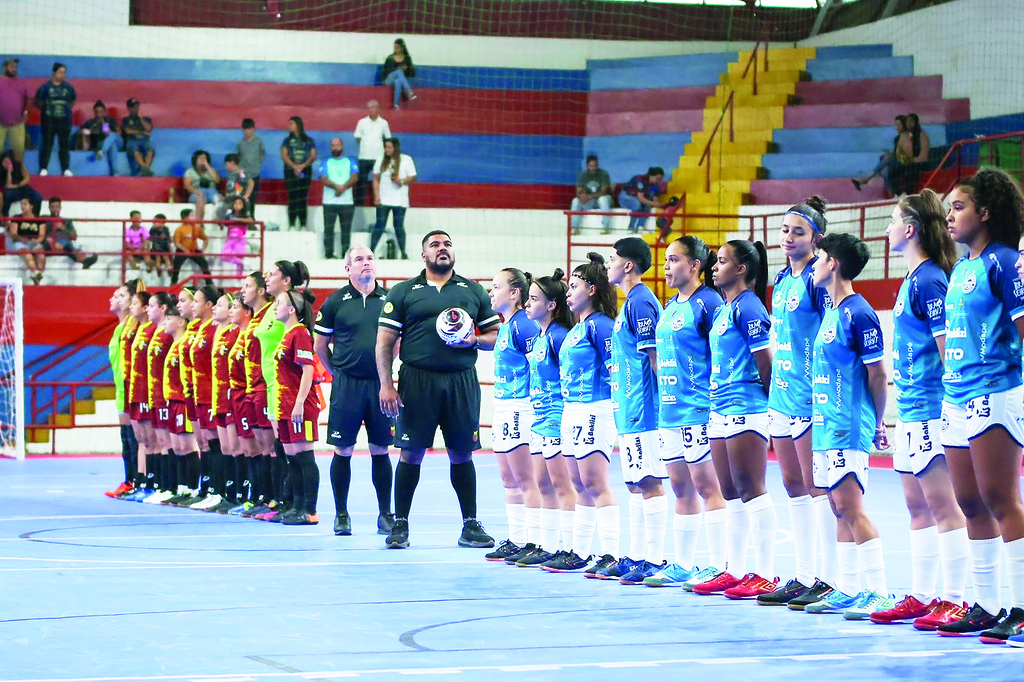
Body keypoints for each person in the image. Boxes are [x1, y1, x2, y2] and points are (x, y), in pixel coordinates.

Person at [868, 189, 970, 629]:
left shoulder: (930, 280)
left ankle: (956, 599)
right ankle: (925, 596)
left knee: (944, 505)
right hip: (910, 409)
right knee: (916, 506)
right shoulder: (913, 280)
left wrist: (951, 410)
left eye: (892, 220)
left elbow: (951, 351)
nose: (888, 228)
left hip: (930, 408)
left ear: (909, 229)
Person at [937, 168, 1024, 640]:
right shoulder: (959, 269)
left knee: (1000, 498)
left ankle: (1021, 606)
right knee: (970, 503)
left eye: (959, 207)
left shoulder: (1005, 263)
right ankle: (987, 606)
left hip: (996, 391)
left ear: (984, 213)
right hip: (956, 396)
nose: (950, 215)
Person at [376, 230, 500, 549]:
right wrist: (387, 384)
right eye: (435, 245)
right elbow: (385, 343)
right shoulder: (404, 292)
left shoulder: (472, 291)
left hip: (461, 381)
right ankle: (400, 523)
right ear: (424, 255)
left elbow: (496, 336)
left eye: (447, 244)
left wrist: (474, 339)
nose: (442, 249)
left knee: (462, 452)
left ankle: (470, 525)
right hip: (417, 380)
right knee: (411, 452)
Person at [804, 233, 893, 620]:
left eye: (819, 256)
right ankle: (849, 587)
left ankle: (880, 592)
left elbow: (878, 374)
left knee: (851, 507)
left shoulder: (859, 312)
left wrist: (876, 423)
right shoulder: (831, 311)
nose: (813, 264)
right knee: (838, 507)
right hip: (826, 427)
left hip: (848, 425)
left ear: (834, 263)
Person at [758, 197, 838, 609]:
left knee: (815, 486)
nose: (788, 238)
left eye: (798, 232)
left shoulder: (816, 280)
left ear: (816, 238)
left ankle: (827, 578)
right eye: (785, 230)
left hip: (811, 396)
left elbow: (831, 332)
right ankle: (804, 575)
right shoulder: (782, 282)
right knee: (792, 485)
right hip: (782, 395)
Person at [691, 240, 777, 599]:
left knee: (750, 487)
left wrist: (771, 410)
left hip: (747, 406)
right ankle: (735, 570)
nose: (714, 267)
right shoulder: (725, 309)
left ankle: (766, 573)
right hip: (719, 407)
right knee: (729, 491)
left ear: (741, 269)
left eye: (722, 261)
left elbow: (766, 361)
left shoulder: (749, 306)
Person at [643, 236, 728, 589]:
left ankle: (722, 565)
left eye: (674, 259)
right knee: (681, 488)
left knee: (710, 487)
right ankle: (683, 564)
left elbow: (723, 352)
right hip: (670, 411)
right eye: (665, 260)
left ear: (695, 265)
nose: (666, 266)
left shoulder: (708, 302)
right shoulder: (670, 306)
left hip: (699, 411)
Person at [538, 253, 618, 574]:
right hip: (572, 411)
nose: (568, 292)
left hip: (594, 409)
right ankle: (579, 551)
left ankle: (611, 553)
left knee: (595, 482)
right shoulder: (575, 329)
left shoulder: (601, 326)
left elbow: (615, 372)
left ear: (593, 289)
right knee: (579, 483)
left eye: (574, 286)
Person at [313, 246, 395, 536]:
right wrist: (338, 372)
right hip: (346, 385)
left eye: (370, 258)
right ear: (347, 269)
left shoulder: (389, 300)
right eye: (359, 259)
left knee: (381, 449)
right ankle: (342, 515)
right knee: (343, 449)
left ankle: (386, 514)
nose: (366, 263)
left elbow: (396, 341)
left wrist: (385, 372)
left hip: (380, 385)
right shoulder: (334, 302)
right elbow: (320, 346)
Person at [604, 238, 670, 584]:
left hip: (645, 409)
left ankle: (655, 558)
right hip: (629, 409)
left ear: (628, 265)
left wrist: (667, 406)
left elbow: (656, 357)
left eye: (612, 259)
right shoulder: (627, 303)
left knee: (649, 482)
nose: (608, 265)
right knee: (634, 483)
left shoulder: (642, 301)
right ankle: (638, 554)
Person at [483, 268, 546, 565]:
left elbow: (541, 368)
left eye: (496, 287)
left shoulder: (524, 325)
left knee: (526, 479)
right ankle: (518, 538)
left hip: (522, 406)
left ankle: (535, 541)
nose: (490, 292)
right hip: (504, 405)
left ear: (515, 293)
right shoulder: (506, 326)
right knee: (508, 478)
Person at [521, 270, 578, 568]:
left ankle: (570, 548)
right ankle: (547, 545)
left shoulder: (559, 336)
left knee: (561, 485)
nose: (527, 304)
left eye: (533, 299)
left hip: (556, 417)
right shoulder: (540, 336)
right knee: (542, 484)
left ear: (552, 305)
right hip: (539, 419)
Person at [253, 260, 310, 522]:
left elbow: (305, 361)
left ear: (287, 281)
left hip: (287, 389)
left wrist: (299, 399)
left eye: (272, 273)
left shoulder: (292, 321)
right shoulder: (270, 311)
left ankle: (299, 505)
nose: (266, 276)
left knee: (294, 450)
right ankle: (285, 502)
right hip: (273, 386)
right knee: (283, 449)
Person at [273, 287, 322, 526]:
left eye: (279, 302)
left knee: (304, 457)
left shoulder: (299, 333)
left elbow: (308, 369)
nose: (274, 306)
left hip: (299, 406)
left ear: (292, 309)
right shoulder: (286, 334)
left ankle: (310, 510)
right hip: (285, 406)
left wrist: (300, 403)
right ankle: (296, 506)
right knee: (292, 459)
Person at [104, 279, 145, 498]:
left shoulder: (133, 327)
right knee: (125, 437)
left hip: (131, 387)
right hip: (121, 387)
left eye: (119, 296)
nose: (113, 299)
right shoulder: (120, 328)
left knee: (134, 438)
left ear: (131, 302)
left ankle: (138, 481)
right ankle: (129, 479)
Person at [141, 292, 177, 505]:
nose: (147, 309)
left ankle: (171, 486)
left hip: (166, 396)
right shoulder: (156, 332)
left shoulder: (168, 332)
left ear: (163, 308)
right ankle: (160, 485)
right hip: (154, 394)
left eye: (152, 305)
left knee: (170, 442)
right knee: (159, 441)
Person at [210, 292, 243, 514]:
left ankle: (241, 495)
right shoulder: (220, 335)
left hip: (234, 397)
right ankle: (227, 494)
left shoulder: (235, 335)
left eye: (227, 306)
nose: (227, 310)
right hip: (219, 397)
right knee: (226, 447)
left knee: (238, 447)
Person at [226, 296, 257, 514]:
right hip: (236, 397)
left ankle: (259, 497)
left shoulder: (251, 334)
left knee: (255, 448)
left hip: (250, 395)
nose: (230, 311)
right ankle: (246, 496)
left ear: (247, 312)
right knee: (244, 448)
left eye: (235, 307)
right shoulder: (237, 336)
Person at [370, 137, 415, 259]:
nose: (387, 150)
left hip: (400, 200)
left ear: (395, 148)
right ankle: (371, 251)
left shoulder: (406, 160)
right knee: (380, 225)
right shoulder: (381, 160)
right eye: (385, 147)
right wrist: (377, 195)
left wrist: (401, 181)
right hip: (384, 200)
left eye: (389, 147)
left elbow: (412, 177)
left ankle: (403, 253)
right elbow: (375, 179)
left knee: (399, 226)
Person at [34, 62, 75, 177]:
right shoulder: (45, 88)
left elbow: (72, 102)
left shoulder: (68, 88)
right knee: (47, 144)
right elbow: (38, 102)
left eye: (64, 73)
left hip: (64, 121)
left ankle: (66, 168)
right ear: (54, 73)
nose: (63, 75)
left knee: (64, 145)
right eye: (60, 72)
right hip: (48, 120)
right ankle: (43, 168)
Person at [851, 116, 912, 193]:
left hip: (906, 163)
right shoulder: (897, 138)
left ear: (904, 124)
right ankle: (891, 196)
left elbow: (908, 153)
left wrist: (893, 155)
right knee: (886, 170)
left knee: (888, 159)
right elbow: (898, 152)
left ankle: (866, 179)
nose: (897, 127)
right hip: (897, 162)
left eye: (899, 124)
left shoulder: (908, 136)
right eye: (896, 124)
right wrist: (890, 154)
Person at [321, 137, 358, 259]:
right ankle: (329, 254)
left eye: (337, 145)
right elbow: (323, 178)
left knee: (346, 230)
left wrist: (342, 188)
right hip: (329, 202)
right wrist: (337, 187)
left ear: (342, 146)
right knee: (328, 230)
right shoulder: (325, 162)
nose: (335, 147)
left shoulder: (350, 161)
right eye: (333, 145)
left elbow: (354, 177)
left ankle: (345, 255)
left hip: (347, 202)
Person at [280, 116, 316, 231]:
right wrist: (294, 166)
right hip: (291, 171)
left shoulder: (308, 140)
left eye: (291, 123)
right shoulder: (287, 141)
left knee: (302, 197)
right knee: (292, 196)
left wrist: (303, 166)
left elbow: (313, 155)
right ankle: (291, 224)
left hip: (305, 171)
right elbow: (284, 155)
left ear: (298, 125)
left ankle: (303, 224)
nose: (289, 126)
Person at [353, 100, 391, 206]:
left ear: (378, 108)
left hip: (379, 157)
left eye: (373, 107)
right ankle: (359, 205)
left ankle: (381, 203)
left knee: (380, 182)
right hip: (364, 157)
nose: (371, 109)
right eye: (369, 107)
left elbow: (388, 139)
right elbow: (357, 138)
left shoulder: (384, 123)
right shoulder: (361, 122)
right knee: (361, 182)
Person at [45, 197, 98, 269]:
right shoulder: (44, 218)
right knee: (70, 245)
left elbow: (75, 237)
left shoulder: (66, 221)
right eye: (53, 207)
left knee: (70, 245)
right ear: (49, 208)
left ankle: (85, 261)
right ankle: (85, 261)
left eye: (57, 207)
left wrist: (64, 228)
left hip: (65, 245)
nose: (55, 209)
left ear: (60, 208)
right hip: (51, 244)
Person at [8, 196, 47, 284]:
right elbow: (13, 234)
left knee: (41, 255)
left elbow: (42, 235)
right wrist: (22, 239)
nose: (22, 206)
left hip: (33, 242)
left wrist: (37, 241)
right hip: (20, 243)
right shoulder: (16, 218)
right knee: (27, 253)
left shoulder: (39, 219)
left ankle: (39, 276)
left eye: (25, 204)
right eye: (21, 204)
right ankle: (36, 273)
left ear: (31, 206)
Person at [570, 155, 612, 235]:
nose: (594, 168)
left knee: (603, 199)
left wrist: (589, 196)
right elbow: (578, 191)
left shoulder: (603, 173)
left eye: (595, 166)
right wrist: (581, 196)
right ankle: (575, 228)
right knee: (575, 201)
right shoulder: (583, 175)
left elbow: (603, 192)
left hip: (603, 200)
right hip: (590, 201)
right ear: (587, 166)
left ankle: (606, 227)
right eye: (591, 166)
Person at [77, 100, 122, 175]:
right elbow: (80, 131)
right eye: (97, 112)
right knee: (112, 145)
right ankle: (115, 173)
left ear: (104, 112)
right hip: (103, 144)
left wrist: (104, 124)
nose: (99, 114)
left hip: (117, 141)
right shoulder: (91, 122)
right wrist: (89, 131)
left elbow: (118, 133)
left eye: (101, 112)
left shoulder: (109, 120)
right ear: (94, 112)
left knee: (112, 136)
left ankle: (102, 152)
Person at [171, 208, 212, 285]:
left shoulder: (197, 228)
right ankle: (173, 282)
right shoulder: (179, 229)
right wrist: (185, 250)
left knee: (204, 264)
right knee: (176, 265)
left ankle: (209, 283)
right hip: (182, 250)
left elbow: (205, 238)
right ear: (185, 218)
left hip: (194, 249)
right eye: (191, 215)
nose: (194, 217)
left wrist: (203, 248)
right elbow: (177, 243)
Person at [619, 167, 666, 234]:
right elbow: (640, 197)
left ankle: (640, 226)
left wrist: (660, 204)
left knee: (647, 205)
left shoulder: (655, 186)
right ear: (651, 176)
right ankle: (631, 227)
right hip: (626, 197)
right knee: (636, 204)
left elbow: (655, 199)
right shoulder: (641, 180)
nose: (658, 181)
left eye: (660, 179)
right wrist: (653, 204)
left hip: (639, 199)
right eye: (657, 178)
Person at [0, 58, 30, 162]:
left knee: (19, 148)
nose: (14, 69)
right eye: (11, 66)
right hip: (0, 123)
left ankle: (18, 172)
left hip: (17, 122)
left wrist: (25, 111)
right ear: (5, 68)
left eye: (15, 67)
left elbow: (28, 99)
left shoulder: (21, 82)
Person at [236, 119, 265, 215]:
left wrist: (257, 165)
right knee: (242, 197)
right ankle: (241, 218)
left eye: (249, 129)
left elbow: (262, 154)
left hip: (255, 174)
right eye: (245, 129)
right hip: (243, 175)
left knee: (253, 198)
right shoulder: (240, 143)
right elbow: (237, 157)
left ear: (253, 129)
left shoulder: (259, 142)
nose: (247, 131)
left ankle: (251, 219)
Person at [1, 150, 42, 217]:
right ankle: (5, 217)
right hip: (12, 191)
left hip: (22, 187)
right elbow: (8, 185)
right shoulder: (2, 171)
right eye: (5, 162)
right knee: (7, 195)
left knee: (38, 197)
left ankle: (35, 217)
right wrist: (9, 170)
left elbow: (27, 179)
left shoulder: (19, 165)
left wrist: (17, 186)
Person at [184, 150, 222, 220]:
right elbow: (187, 185)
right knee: (200, 199)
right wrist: (195, 191)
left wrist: (207, 166)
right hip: (197, 191)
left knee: (219, 199)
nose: (203, 160)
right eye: (200, 158)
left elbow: (216, 180)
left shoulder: (212, 170)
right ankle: (199, 223)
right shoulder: (189, 171)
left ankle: (219, 219)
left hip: (211, 190)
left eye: (204, 158)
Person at [122, 98, 155, 177]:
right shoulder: (126, 119)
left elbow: (148, 129)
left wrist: (140, 118)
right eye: (134, 107)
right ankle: (145, 169)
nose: (136, 109)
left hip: (144, 140)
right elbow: (128, 131)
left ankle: (145, 170)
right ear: (129, 108)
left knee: (150, 149)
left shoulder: (146, 119)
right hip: (133, 140)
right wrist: (142, 132)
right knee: (134, 149)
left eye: (137, 106)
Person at [222, 197, 253, 277]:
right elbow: (224, 223)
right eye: (235, 203)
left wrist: (238, 220)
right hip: (230, 238)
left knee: (240, 254)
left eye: (239, 204)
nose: (237, 205)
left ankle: (239, 274)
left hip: (240, 238)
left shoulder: (245, 215)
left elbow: (251, 220)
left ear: (243, 206)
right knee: (225, 255)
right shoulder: (229, 215)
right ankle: (239, 262)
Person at [382, 38, 417, 110]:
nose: (395, 49)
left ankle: (396, 104)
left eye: (397, 47)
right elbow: (385, 70)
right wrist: (384, 79)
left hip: (400, 80)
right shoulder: (390, 58)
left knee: (398, 81)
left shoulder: (407, 59)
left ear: (402, 48)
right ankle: (409, 92)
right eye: (394, 47)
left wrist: (407, 69)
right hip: (389, 79)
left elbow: (412, 73)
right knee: (399, 71)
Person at [221, 153, 254, 217]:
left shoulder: (241, 173)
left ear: (232, 163)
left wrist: (246, 196)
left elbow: (251, 182)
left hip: (239, 202)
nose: (225, 167)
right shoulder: (230, 175)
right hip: (230, 202)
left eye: (226, 164)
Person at [148, 213, 173, 279]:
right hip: (156, 246)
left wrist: (169, 239)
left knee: (166, 256)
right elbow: (151, 238)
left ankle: (169, 267)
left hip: (164, 246)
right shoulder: (153, 229)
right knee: (157, 257)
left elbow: (168, 238)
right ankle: (158, 267)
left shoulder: (165, 229)